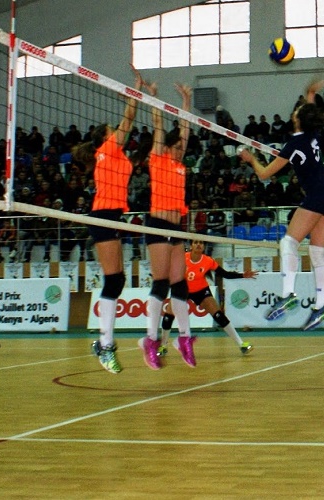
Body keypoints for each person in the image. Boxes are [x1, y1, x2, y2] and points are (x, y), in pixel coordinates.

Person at [239, 74, 324, 331]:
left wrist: (250, 159)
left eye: (297, 109)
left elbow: (264, 175)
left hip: (318, 194)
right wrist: (311, 91)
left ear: (297, 119)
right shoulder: (314, 135)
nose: (295, 109)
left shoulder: (293, 145)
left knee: (288, 242)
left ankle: (288, 295)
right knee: (317, 252)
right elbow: (309, 106)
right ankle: (322, 305)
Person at [75, 67, 143, 374]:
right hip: (103, 215)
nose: (116, 131)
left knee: (116, 279)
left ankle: (103, 343)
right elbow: (127, 122)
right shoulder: (109, 147)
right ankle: (104, 345)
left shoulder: (114, 155)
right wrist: (135, 92)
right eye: (111, 129)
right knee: (115, 280)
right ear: (106, 137)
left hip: (111, 215)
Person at [138, 80, 194, 370]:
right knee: (161, 282)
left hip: (177, 226)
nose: (182, 147)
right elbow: (159, 124)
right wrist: (153, 97)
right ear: (169, 147)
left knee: (179, 284)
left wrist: (186, 101)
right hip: (158, 223)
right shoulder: (158, 159)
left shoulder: (179, 163)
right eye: (179, 145)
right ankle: (150, 338)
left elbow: (184, 126)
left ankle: (183, 337)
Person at [158, 241, 258, 357]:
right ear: (191, 246)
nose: (199, 245)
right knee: (168, 317)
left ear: (204, 247)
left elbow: (224, 274)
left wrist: (242, 275)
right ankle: (163, 346)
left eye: (201, 243)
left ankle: (242, 345)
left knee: (219, 315)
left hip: (201, 290)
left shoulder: (208, 261)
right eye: (196, 243)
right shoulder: (182, 258)